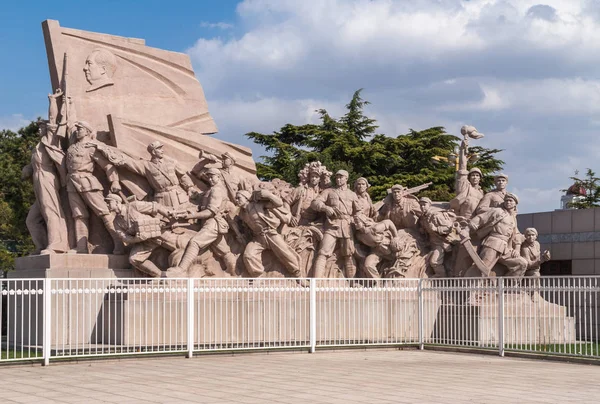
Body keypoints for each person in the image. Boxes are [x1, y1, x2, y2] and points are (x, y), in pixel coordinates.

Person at [65, 121, 124, 254]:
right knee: (79, 215)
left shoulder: (91, 147)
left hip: (87, 182)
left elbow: (107, 165)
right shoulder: (72, 147)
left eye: (80, 129)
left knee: (104, 212)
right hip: (71, 183)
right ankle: (81, 247)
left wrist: (115, 181)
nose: (77, 131)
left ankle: (119, 242)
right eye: (77, 129)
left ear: (87, 131)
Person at [168, 168, 237, 275]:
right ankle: (236, 274)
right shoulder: (211, 190)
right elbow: (202, 207)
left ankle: (181, 269)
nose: (210, 179)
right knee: (225, 252)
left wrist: (191, 216)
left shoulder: (217, 190)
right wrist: (185, 212)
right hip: (207, 223)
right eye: (208, 177)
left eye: (212, 176)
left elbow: (210, 212)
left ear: (218, 177)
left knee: (195, 242)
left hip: (213, 223)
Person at [95, 140, 197, 209]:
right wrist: (105, 150)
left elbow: (182, 176)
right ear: (153, 151)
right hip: (162, 197)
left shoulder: (171, 162)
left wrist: (190, 187)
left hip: (178, 195)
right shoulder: (146, 165)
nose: (162, 151)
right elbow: (126, 161)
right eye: (159, 149)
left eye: (162, 148)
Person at [236, 189, 306, 285]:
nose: (236, 200)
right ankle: (257, 277)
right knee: (249, 255)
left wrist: (268, 194)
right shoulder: (242, 213)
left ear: (246, 198)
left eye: (238, 198)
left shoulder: (258, 205)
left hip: (270, 233)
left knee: (286, 253)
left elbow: (279, 203)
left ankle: (298, 275)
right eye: (236, 198)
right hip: (258, 238)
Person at [22, 120, 69, 254]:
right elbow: (37, 162)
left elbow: (58, 159)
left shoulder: (49, 143)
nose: (39, 130)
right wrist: (29, 168)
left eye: (42, 127)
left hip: (47, 177)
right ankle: (41, 245)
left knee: (51, 211)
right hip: (38, 178)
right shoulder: (38, 145)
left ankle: (56, 245)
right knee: (32, 220)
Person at [106, 194, 178, 277]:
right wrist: (137, 239)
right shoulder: (116, 222)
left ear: (116, 202)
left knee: (180, 246)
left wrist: (171, 218)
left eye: (109, 202)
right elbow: (125, 238)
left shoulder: (134, 206)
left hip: (159, 232)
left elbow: (156, 207)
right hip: (144, 242)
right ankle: (160, 275)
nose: (107, 205)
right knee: (134, 259)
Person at [311, 169, 360, 278]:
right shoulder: (329, 191)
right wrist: (325, 208)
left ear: (346, 179)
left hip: (346, 226)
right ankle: (316, 283)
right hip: (332, 225)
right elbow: (315, 203)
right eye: (337, 177)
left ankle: (352, 283)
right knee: (322, 252)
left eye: (341, 177)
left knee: (348, 255)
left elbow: (358, 212)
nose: (338, 179)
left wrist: (355, 220)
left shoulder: (352, 194)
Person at [467, 193, 527, 277]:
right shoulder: (497, 211)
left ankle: (509, 288)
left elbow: (516, 235)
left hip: (506, 248)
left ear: (515, 204)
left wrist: (517, 249)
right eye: (506, 200)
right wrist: (472, 223)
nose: (508, 202)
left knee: (521, 263)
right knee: (482, 267)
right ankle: (470, 287)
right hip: (493, 243)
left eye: (510, 201)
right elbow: (481, 217)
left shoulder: (513, 218)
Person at [418, 197, 457, 278]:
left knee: (434, 261)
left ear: (429, 205)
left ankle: (442, 278)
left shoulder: (436, 215)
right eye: (421, 205)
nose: (422, 207)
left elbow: (449, 227)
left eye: (424, 205)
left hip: (442, 242)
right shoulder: (423, 217)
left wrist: (436, 229)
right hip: (432, 243)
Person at [449, 137, 484, 219]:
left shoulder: (481, 193)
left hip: (478, 220)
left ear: (480, 178)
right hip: (464, 219)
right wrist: (462, 150)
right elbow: (462, 166)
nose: (475, 177)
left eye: (477, 175)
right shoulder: (465, 186)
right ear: (469, 177)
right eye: (473, 175)